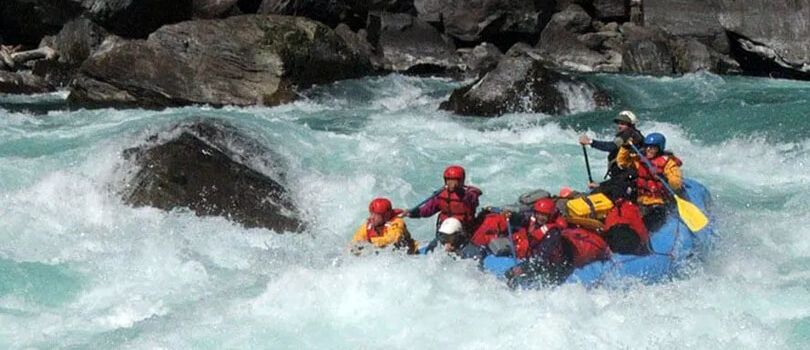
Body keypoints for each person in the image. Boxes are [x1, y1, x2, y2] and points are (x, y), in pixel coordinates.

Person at [506, 199, 610, 287]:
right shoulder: (534, 220)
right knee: (510, 274)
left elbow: (541, 259)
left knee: (544, 285)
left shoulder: (553, 233)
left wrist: (523, 268)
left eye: (544, 215)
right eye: (539, 214)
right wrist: (511, 217)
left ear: (550, 216)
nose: (540, 218)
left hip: (560, 266)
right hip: (543, 262)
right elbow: (522, 220)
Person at [616, 132, 683, 232]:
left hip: (658, 203)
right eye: (647, 147)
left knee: (647, 223)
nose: (648, 150)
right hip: (640, 200)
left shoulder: (668, 163)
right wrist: (625, 147)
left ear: (659, 149)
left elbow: (676, 184)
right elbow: (622, 162)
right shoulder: (640, 160)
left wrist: (664, 178)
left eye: (653, 148)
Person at [404, 165, 482, 235]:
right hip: (444, 229)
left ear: (461, 181)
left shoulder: (468, 194)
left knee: (454, 228)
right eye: (448, 180)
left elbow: (472, 198)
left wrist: (465, 192)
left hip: (464, 230)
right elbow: (427, 210)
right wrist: (413, 213)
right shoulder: (440, 195)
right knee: (447, 231)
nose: (451, 183)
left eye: (455, 180)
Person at [579, 110, 645, 181]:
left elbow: (611, 146)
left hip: (625, 175)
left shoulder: (628, 134)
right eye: (618, 123)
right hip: (626, 174)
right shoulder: (634, 134)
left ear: (631, 125)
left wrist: (590, 142)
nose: (619, 126)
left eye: (623, 124)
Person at [351, 197, 416, 254]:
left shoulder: (396, 222)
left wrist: (370, 242)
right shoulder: (367, 226)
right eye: (371, 213)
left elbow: (392, 239)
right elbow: (354, 243)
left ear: (386, 216)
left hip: (412, 253)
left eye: (376, 215)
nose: (372, 217)